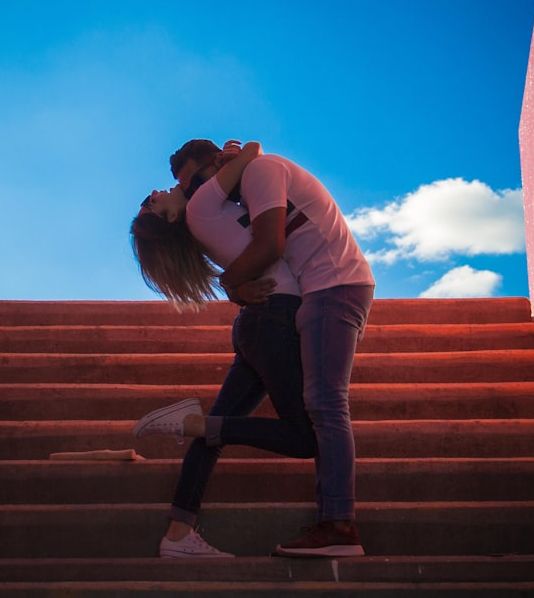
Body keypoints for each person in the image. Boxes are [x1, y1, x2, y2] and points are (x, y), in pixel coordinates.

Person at [169, 138, 375, 558]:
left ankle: (338, 526)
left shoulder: (261, 172)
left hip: (333, 285)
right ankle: (334, 522)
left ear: (216, 163)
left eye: (196, 182)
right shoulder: (249, 183)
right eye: (188, 190)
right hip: (326, 287)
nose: (196, 193)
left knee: (325, 406)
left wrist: (230, 286)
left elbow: (270, 247)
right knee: (320, 408)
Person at [130, 140, 317, 558]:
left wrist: (222, 162)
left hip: (256, 323)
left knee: (218, 428)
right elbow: (252, 150)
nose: (154, 193)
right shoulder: (199, 208)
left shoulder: (201, 211)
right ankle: (194, 425)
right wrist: (231, 155)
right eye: (151, 204)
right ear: (174, 217)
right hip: (273, 318)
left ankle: (178, 533)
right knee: (305, 437)